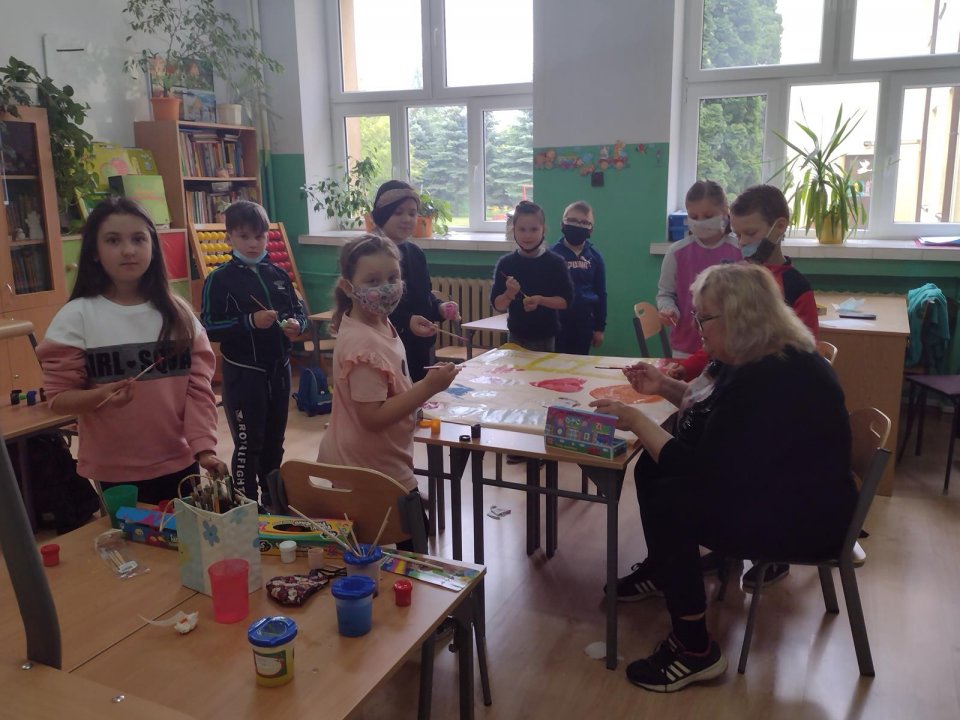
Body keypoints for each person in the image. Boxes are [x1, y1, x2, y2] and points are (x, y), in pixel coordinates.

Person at [591, 263, 854, 693]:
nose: (697, 330)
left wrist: (637, 421)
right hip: (783, 490)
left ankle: (694, 648)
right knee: (653, 466)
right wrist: (663, 386)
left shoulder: (772, 378)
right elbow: (714, 410)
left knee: (671, 498)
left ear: (739, 317)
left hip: (803, 522)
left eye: (704, 319)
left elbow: (697, 467)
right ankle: (664, 571)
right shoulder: (757, 353)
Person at [38, 197, 228, 504]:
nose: (128, 250)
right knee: (131, 536)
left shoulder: (179, 315)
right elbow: (58, 399)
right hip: (115, 470)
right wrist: (101, 395)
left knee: (182, 534)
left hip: (180, 461)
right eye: (113, 240)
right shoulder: (76, 317)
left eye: (138, 239)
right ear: (95, 252)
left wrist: (204, 448)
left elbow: (198, 391)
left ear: (153, 246)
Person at [317, 234, 459, 500]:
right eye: (373, 281)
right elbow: (372, 417)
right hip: (367, 471)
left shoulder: (378, 320)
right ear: (348, 287)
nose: (387, 288)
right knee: (404, 526)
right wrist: (428, 387)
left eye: (393, 278)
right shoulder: (364, 345)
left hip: (379, 460)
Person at [201, 200, 306, 508]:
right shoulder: (219, 279)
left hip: (279, 369)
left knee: (275, 442)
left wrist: (296, 325)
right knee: (249, 445)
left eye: (259, 236)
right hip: (244, 373)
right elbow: (208, 327)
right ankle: (247, 507)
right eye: (244, 236)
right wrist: (250, 321)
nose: (253, 243)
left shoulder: (278, 274)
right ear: (229, 238)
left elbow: (298, 311)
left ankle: (273, 502)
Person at [669, 184, 820, 383]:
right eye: (738, 235)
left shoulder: (796, 287)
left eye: (750, 233)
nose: (742, 242)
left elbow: (805, 352)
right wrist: (688, 367)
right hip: (734, 384)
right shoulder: (737, 280)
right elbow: (719, 340)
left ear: (780, 227)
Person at [370, 180, 458, 383]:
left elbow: (424, 296)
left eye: (412, 213)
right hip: (387, 348)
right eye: (398, 212)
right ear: (383, 214)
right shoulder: (371, 253)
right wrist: (406, 322)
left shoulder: (415, 253)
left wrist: (440, 308)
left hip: (419, 347)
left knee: (420, 396)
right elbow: (372, 306)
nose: (407, 219)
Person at [656, 180, 741, 358]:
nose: (700, 222)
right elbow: (665, 293)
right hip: (685, 347)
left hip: (731, 346)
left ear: (725, 211)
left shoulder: (739, 250)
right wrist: (668, 310)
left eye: (708, 215)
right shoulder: (676, 252)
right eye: (694, 217)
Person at [491, 200, 574, 353]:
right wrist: (509, 294)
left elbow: (565, 301)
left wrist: (540, 300)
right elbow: (498, 305)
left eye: (534, 229)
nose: (527, 235)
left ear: (543, 230)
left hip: (546, 338)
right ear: (513, 230)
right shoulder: (506, 264)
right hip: (515, 337)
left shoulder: (556, 263)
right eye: (522, 229)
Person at [551, 200, 608, 355]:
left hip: (584, 324)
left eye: (584, 223)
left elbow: (601, 293)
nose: (577, 226)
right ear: (562, 224)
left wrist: (599, 328)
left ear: (591, 230)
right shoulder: (551, 256)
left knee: (579, 364)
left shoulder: (595, 257)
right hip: (556, 323)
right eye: (572, 221)